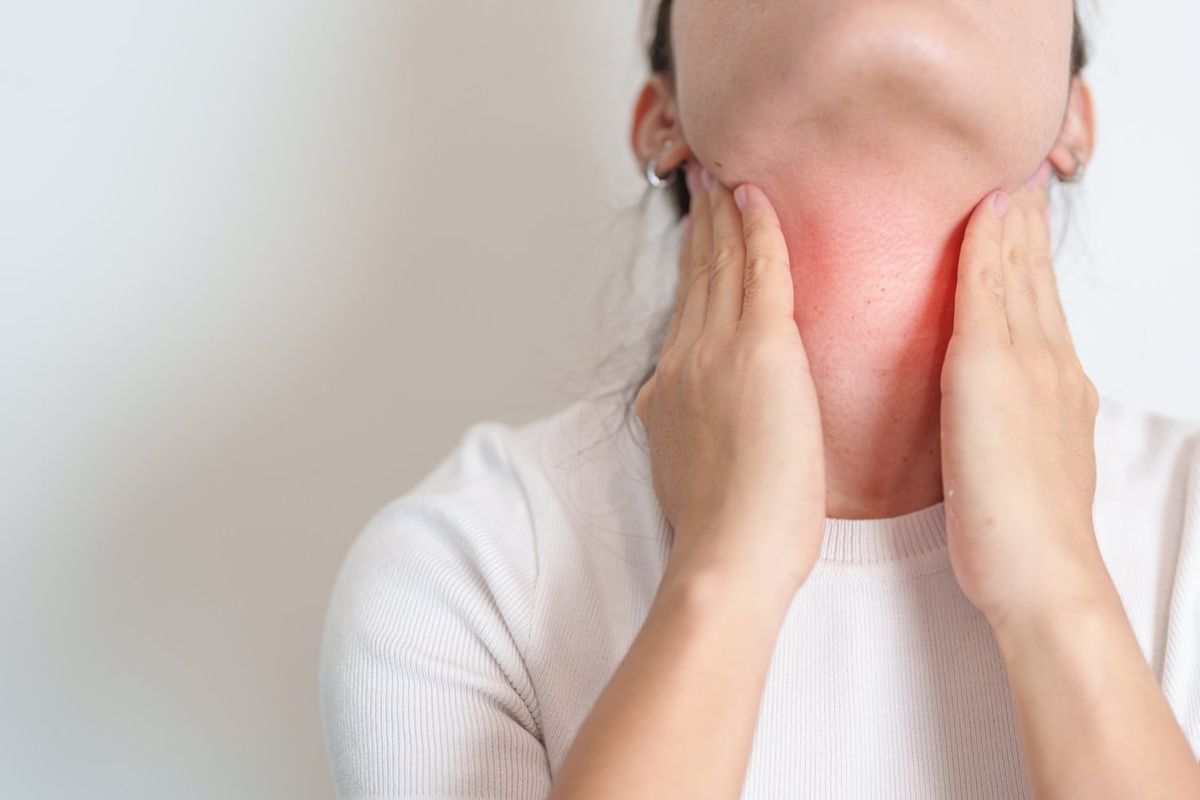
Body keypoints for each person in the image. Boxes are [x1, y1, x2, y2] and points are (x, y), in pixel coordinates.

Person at [319, 1, 1200, 796]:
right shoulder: (472, 580)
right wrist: (724, 572)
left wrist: (1058, 587)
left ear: (1072, 125)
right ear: (663, 119)